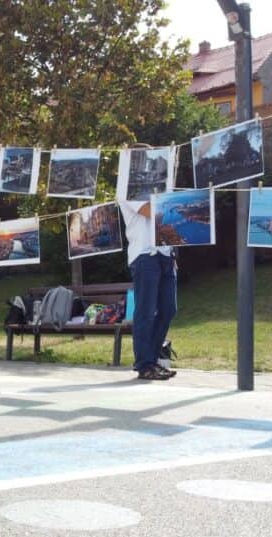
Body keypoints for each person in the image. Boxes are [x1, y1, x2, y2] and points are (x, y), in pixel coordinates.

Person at [119, 146, 177, 381]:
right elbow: (152, 211)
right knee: (145, 311)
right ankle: (144, 365)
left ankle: (153, 360)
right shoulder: (129, 190)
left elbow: (171, 221)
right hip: (144, 256)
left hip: (165, 254)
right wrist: (173, 201)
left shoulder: (160, 189)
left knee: (168, 309)